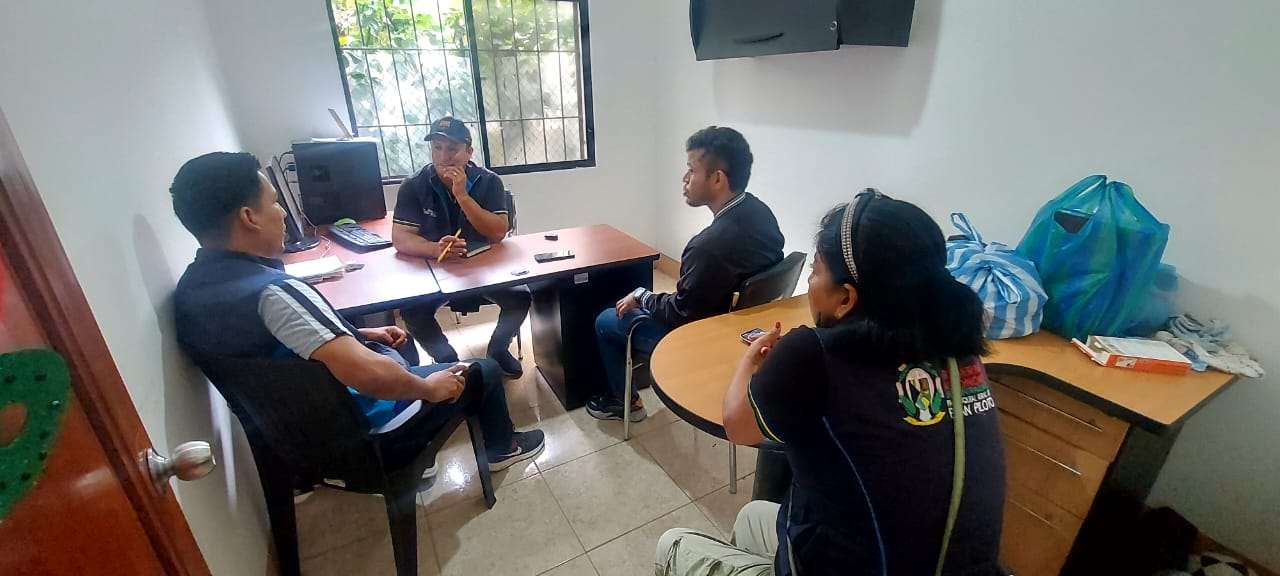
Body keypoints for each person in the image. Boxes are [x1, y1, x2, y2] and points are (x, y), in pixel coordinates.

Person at [657, 191, 1007, 575]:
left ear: (846, 298)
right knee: (754, 516)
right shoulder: (962, 356)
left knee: (672, 544)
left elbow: (737, 424)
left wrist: (750, 360)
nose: (810, 282)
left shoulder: (812, 353)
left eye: (816, 271)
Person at [170, 152, 544, 474]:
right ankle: (500, 448)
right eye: (274, 203)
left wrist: (361, 335)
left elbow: (280, 351)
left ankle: (424, 450)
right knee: (484, 372)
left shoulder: (193, 290)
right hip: (369, 429)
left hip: (300, 434)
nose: (282, 212)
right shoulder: (275, 292)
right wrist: (427, 388)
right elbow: (368, 374)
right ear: (249, 217)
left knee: (397, 340)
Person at [589, 126, 784, 422]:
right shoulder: (762, 213)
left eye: (691, 170)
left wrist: (643, 296)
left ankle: (623, 402)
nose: (684, 178)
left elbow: (681, 313)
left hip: (702, 344)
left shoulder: (708, 247)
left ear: (717, 179)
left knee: (607, 319)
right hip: (742, 333)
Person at [391, 117, 530, 378]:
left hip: (484, 270)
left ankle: (499, 349)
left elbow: (498, 231)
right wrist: (434, 248)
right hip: (436, 270)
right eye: (437, 148)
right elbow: (400, 237)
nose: (444, 157)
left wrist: (463, 196)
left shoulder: (489, 181)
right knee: (412, 311)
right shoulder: (414, 185)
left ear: (469, 151)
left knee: (521, 296)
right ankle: (447, 359)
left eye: (452, 149)